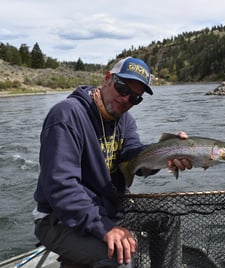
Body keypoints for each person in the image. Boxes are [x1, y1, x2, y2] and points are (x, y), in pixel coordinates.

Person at [33, 56, 192, 268]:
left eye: (135, 98)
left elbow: (133, 156)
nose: (126, 99)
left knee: (168, 216)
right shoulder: (67, 115)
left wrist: (166, 153)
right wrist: (105, 228)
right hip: (58, 218)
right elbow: (61, 187)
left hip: (106, 208)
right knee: (120, 257)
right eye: (122, 88)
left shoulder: (125, 121)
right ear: (108, 79)